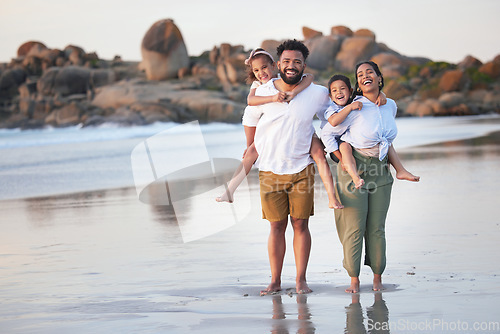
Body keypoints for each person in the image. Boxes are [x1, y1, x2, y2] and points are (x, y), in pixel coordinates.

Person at [243, 39, 333, 295]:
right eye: (286, 61)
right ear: (278, 64)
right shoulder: (264, 90)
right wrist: (250, 146)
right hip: (270, 169)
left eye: (297, 62)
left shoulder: (316, 92)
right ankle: (275, 280)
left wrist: (326, 142)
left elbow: (330, 116)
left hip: (302, 169)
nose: (291, 66)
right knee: (276, 226)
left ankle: (301, 280)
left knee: (300, 224)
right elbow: (249, 116)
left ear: (304, 65)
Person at [321, 61, 416, 293]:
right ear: (358, 82)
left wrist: (397, 167)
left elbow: (387, 139)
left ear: (379, 77)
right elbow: (327, 132)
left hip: (381, 171)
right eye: (360, 74)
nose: (365, 76)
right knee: (354, 228)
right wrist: (340, 159)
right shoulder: (355, 106)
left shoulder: (389, 105)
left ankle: (377, 278)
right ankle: (354, 279)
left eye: (369, 72)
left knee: (377, 228)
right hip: (355, 170)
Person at [216, 48, 343, 210]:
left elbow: (309, 77)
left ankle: (332, 198)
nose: (261, 72)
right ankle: (230, 191)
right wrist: (273, 98)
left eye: (264, 67)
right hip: (272, 134)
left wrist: (295, 92)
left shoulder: (283, 78)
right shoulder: (258, 87)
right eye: (256, 70)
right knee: (250, 152)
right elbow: (250, 104)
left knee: (319, 154)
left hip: (302, 131)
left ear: (274, 66)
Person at [325, 75, 420, 189]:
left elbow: (369, 97)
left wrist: (381, 95)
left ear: (350, 91)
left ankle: (400, 170)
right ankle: (355, 177)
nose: (339, 92)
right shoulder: (332, 109)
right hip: (336, 144)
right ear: (330, 96)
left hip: (353, 138)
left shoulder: (356, 101)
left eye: (342, 89)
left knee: (385, 139)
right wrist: (340, 159)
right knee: (345, 147)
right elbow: (333, 123)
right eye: (334, 90)